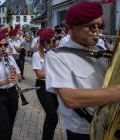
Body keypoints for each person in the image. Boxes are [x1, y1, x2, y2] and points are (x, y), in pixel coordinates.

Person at [45, 2, 120, 140]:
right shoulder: (57, 56)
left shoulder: (101, 51)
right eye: (92, 26)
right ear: (72, 27)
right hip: (84, 132)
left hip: (113, 126)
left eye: (100, 26)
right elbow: (70, 98)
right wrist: (117, 92)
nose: (98, 31)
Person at [32, 28, 58, 140]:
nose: (51, 44)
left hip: (54, 86)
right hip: (42, 87)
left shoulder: (55, 53)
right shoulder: (36, 55)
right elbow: (39, 74)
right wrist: (56, 75)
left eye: (53, 41)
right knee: (53, 117)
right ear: (42, 42)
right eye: (49, 41)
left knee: (50, 117)